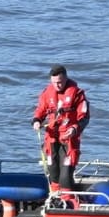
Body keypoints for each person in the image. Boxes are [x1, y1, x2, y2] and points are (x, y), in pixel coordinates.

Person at [31, 65, 90, 197]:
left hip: (69, 140)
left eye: (60, 82)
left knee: (66, 174)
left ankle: (67, 201)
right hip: (51, 138)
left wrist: (75, 129)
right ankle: (55, 198)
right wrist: (36, 120)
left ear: (65, 78)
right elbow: (41, 109)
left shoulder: (77, 94)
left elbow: (84, 116)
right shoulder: (47, 93)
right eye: (54, 83)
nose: (57, 85)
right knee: (53, 172)